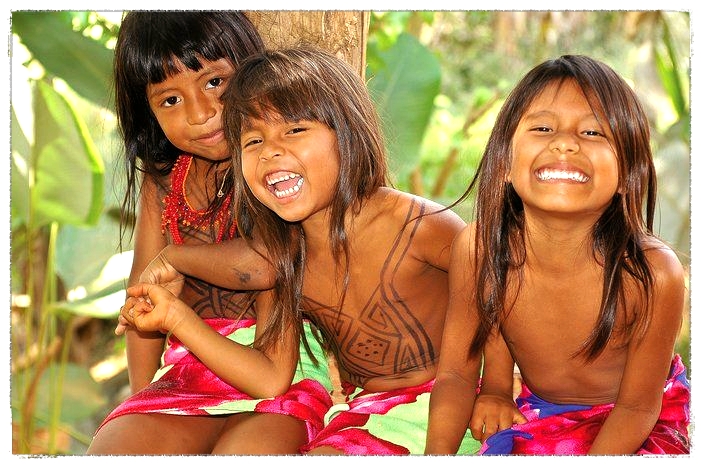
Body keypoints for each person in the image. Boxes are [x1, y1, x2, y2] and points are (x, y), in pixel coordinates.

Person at [140, 45, 482, 455]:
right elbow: (269, 375)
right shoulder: (283, 257)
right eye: (252, 140)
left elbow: (499, 291)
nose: (270, 150)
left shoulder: (419, 227)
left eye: (294, 130)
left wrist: (499, 386)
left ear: (348, 132)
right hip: (366, 413)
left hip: (453, 405)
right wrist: (175, 310)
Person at [87, 12, 333, 455]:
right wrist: (145, 399)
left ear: (250, 67)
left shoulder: (272, 175)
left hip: (280, 385)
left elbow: (264, 265)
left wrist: (177, 258)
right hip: (185, 380)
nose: (201, 114)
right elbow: (143, 296)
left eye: (214, 82)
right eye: (170, 101)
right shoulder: (164, 180)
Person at [426, 55, 690, 455]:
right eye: (543, 127)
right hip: (537, 408)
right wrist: (488, 399)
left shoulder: (651, 272)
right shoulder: (480, 248)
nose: (565, 142)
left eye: (592, 132)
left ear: (627, 173)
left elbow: (638, 406)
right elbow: (456, 374)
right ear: (505, 165)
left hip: (634, 419)